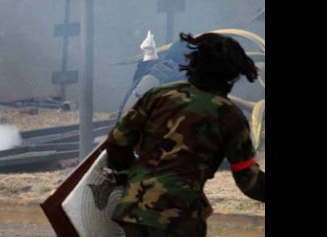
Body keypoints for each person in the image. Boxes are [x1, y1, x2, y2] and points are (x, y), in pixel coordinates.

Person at [104, 32, 265, 237]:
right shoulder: (229, 115)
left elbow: (117, 141)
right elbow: (249, 181)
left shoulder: (159, 95)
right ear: (231, 74)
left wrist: (123, 178)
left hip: (133, 212)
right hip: (180, 218)